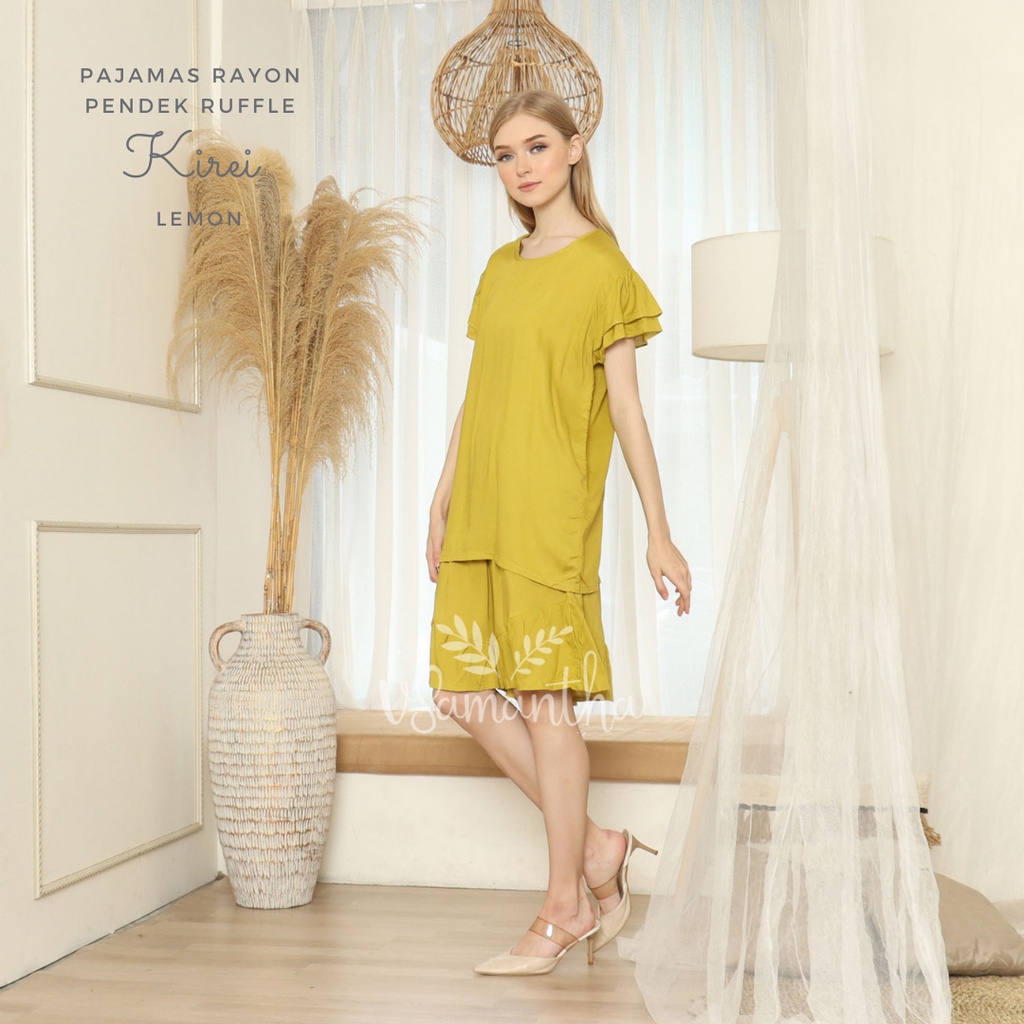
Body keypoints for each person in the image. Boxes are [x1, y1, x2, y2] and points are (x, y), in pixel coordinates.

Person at [425, 89, 691, 977]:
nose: (522, 166)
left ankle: (565, 905)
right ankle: (601, 847)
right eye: (505, 154)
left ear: (575, 149)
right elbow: (480, 391)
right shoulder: (500, 266)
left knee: (545, 704)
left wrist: (659, 533)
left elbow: (628, 411)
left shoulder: (604, 268)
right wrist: (442, 493)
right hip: (481, 506)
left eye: (537, 146)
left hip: (550, 514)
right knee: (460, 691)